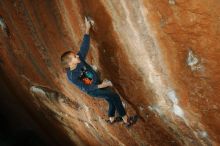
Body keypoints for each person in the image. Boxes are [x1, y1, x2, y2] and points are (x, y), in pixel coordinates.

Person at [61, 17, 136, 127]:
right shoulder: (72, 76)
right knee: (114, 96)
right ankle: (126, 120)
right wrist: (103, 85)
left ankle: (111, 119)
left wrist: (87, 28)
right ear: (70, 64)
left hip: (98, 83)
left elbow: (84, 48)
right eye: (74, 57)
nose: (77, 56)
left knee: (110, 100)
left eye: (75, 55)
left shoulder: (79, 61)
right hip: (94, 90)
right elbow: (87, 87)